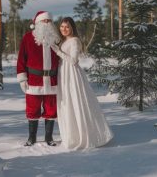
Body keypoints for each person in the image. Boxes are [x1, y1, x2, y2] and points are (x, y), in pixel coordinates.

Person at [51, 17, 113, 150]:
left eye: (67, 27)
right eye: (62, 27)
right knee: (66, 103)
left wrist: (58, 51)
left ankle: (84, 135)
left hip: (72, 75)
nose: (64, 29)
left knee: (76, 102)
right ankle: (71, 135)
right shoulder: (63, 41)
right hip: (63, 74)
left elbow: (73, 60)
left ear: (72, 27)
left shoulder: (75, 41)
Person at [16, 11, 61, 146]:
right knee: (32, 109)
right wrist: (22, 78)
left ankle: (49, 137)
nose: (46, 23)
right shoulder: (28, 38)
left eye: (48, 21)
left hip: (52, 81)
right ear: (37, 23)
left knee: (51, 109)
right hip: (34, 81)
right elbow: (21, 60)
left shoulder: (56, 39)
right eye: (43, 21)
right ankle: (32, 137)